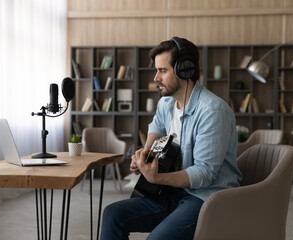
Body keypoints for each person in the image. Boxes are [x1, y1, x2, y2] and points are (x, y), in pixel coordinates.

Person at [100, 37, 242, 240]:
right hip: (169, 191)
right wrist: (145, 154)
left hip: (204, 198)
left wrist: (157, 177)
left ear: (185, 70)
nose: (156, 78)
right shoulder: (166, 103)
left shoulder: (212, 111)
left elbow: (204, 173)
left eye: (163, 71)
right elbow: (156, 126)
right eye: (156, 70)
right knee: (112, 214)